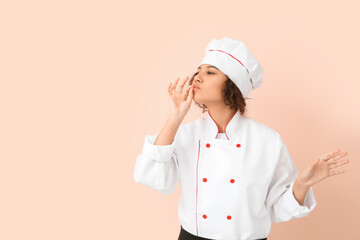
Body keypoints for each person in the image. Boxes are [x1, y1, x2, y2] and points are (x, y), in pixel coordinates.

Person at [133, 37, 350, 240]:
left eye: (210, 72)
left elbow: (277, 208)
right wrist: (174, 117)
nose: (197, 77)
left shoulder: (267, 141)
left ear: (232, 85)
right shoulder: (185, 134)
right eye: (198, 71)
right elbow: (155, 180)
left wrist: (302, 184)